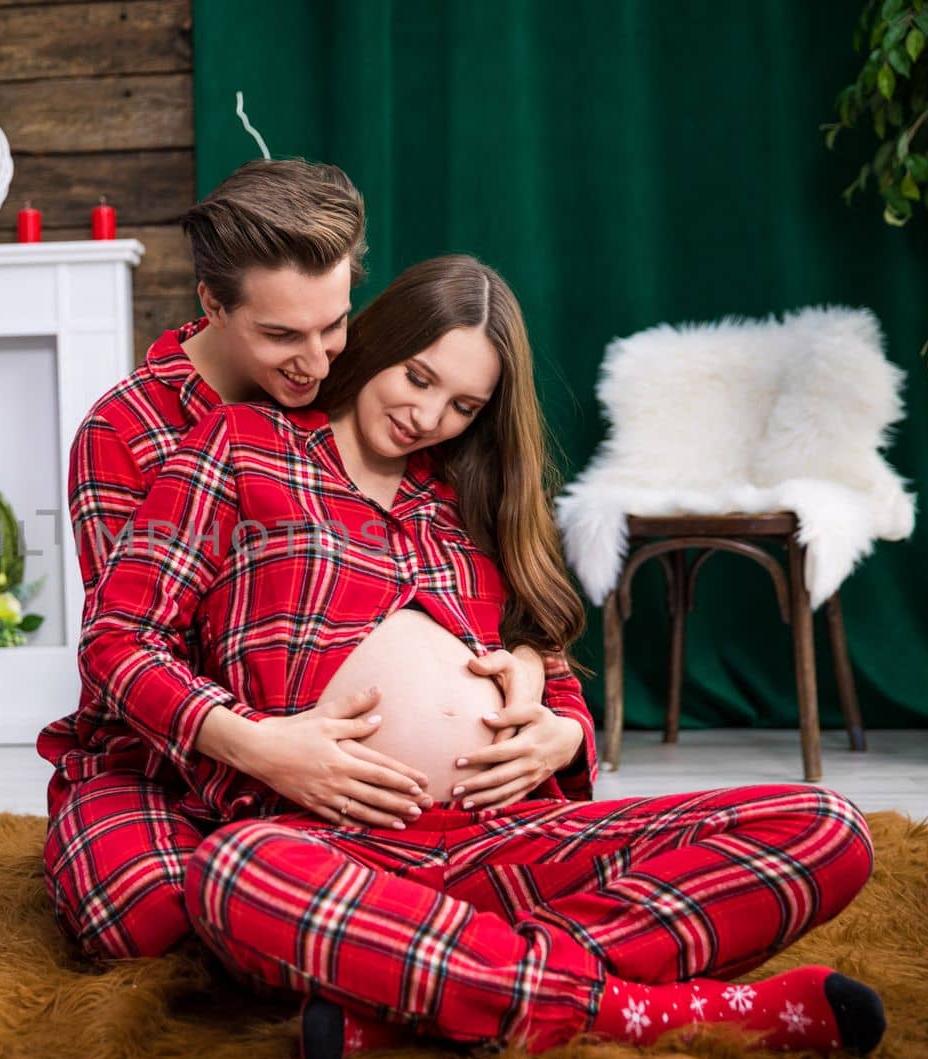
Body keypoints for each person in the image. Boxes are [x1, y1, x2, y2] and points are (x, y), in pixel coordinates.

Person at [77, 255, 882, 1059]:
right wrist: (260, 742)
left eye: (464, 404)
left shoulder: (467, 500)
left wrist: (563, 736)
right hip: (327, 845)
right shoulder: (241, 446)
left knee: (826, 828)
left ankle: (416, 994)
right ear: (377, 341)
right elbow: (122, 639)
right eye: (417, 378)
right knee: (235, 874)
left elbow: (553, 676)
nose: (428, 417)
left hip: (505, 840)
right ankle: (649, 1009)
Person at [38, 162, 552, 964]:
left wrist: (519, 662)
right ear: (213, 303)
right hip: (173, 751)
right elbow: (129, 647)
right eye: (282, 335)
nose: (315, 362)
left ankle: (360, 920)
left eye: (335, 325)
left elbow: (446, 579)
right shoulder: (127, 431)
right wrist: (269, 749)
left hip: (334, 753)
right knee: (145, 911)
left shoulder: (365, 393)